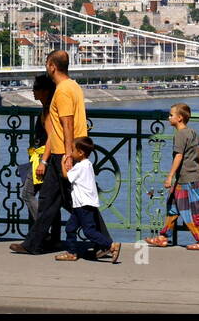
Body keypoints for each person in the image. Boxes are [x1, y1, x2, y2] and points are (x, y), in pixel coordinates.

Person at [11, 50, 87, 255]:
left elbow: (65, 125)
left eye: (46, 63)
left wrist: (66, 155)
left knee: (71, 202)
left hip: (59, 155)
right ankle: (35, 243)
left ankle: (103, 241)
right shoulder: (74, 86)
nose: (34, 91)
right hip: (60, 154)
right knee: (49, 200)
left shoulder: (62, 91)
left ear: (52, 66)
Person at [145, 103, 199, 251]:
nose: (168, 117)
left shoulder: (180, 135)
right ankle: (163, 237)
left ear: (179, 118)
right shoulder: (192, 132)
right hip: (191, 178)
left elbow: (179, 156)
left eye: (171, 115)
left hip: (187, 179)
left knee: (191, 212)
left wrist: (169, 176)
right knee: (173, 207)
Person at [54, 136, 121, 263]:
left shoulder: (81, 167)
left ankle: (110, 245)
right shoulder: (88, 165)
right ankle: (72, 252)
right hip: (81, 204)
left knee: (89, 231)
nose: (71, 153)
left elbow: (66, 176)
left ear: (80, 152)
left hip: (83, 204)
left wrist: (63, 163)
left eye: (73, 150)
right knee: (70, 227)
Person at [20, 75, 54, 222]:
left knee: (27, 194)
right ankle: (52, 236)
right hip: (44, 157)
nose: (33, 91)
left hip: (42, 158)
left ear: (45, 91)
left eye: (36, 88)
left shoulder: (47, 111)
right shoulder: (48, 108)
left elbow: (51, 137)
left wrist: (43, 162)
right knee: (54, 200)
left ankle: (42, 230)